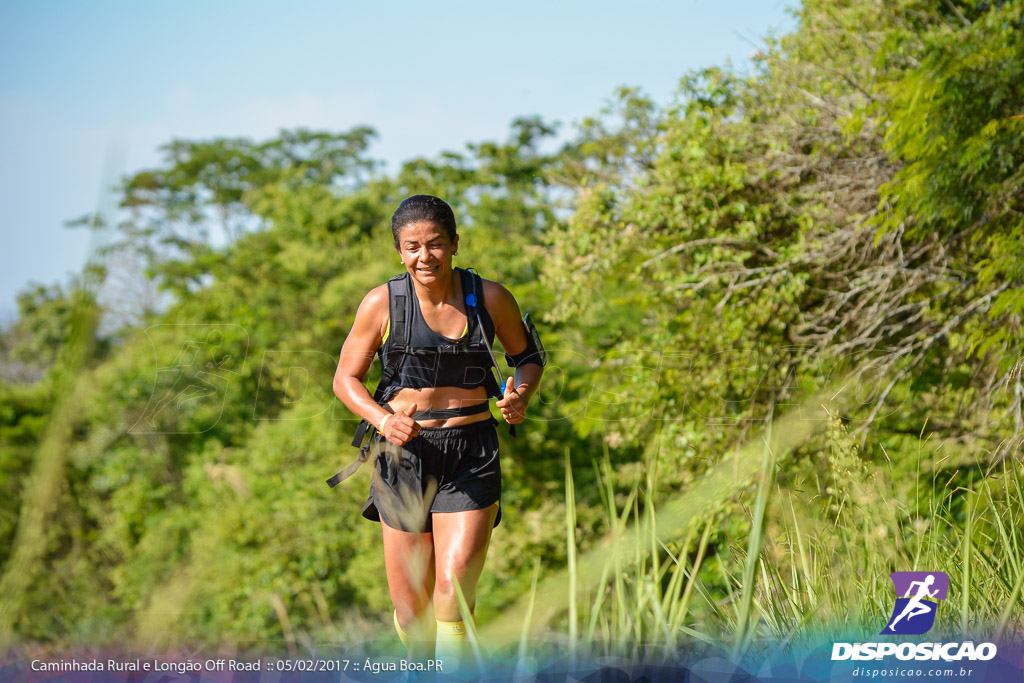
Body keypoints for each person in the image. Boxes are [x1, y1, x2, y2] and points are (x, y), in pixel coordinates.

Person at [332, 195, 545, 664]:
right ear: (399, 251)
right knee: (413, 613)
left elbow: (528, 358)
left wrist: (520, 397)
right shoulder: (381, 304)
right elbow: (345, 380)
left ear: (453, 245)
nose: (424, 256)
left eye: (435, 245)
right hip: (402, 457)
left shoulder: (490, 297)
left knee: (452, 596)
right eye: (412, 247)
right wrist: (383, 418)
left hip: (471, 452)